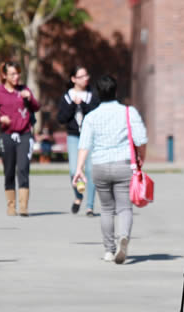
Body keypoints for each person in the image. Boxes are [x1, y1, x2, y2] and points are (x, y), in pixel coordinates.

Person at [72, 75, 148, 264]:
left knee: (106, 208)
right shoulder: (129, 112)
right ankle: (124, 236)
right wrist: (141, 158)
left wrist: (79, 168)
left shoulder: (91, 116)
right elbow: (141, 140)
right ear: (115, 91)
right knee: (124, 207)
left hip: (99, 166)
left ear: (98, 94)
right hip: (123, 164)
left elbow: (84, 145)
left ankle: (109, 250)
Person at [0, 61, 40, 216]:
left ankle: (23, 206)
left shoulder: (24, 90)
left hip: (25, 134)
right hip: (7, 136)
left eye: (18, 73)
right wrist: (0, 119)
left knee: (23, 168)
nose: (16, 77)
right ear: (4, 75)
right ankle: (11, 205)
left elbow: (36, 107)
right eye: (13, 74)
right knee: (9, 171)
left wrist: (30, 98)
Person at [57, 66, 100, 216]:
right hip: (74, 137)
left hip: (90, 137)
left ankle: (89, 206)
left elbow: (96, 114)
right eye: (81, 76)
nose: (85, 78)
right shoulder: (67, 96)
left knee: (90, 170)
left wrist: (83, 105)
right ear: (73, 79)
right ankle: (78, 196)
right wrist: (73, 105)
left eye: (86, 75)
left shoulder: (92, 95)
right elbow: (61, 118)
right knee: (73, 170)